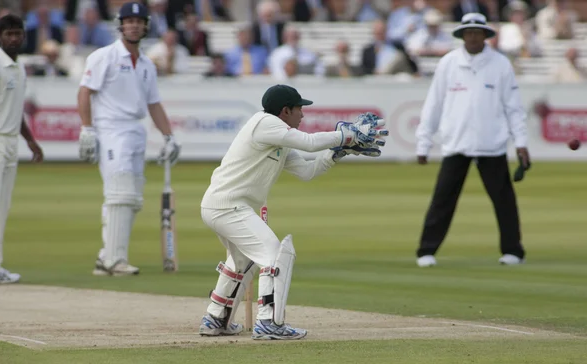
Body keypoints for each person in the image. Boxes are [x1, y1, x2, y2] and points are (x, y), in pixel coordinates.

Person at [198, 84, 388, 340]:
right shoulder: (264, 123)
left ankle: (215, 318)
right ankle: (269, 323)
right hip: (227, 205)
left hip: (224, 205)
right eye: (300, 108)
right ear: (285, 111)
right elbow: (310, 143)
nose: (303, 114)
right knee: (273, 255)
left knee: (242, 262)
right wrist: (346, 136)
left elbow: (307, 171)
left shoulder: (279, 138)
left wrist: (336, 153)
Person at [414, 13, 530, 268]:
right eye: (469, 32)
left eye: (478, 32)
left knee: (504, 201)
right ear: (463, 35)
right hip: (457, 142)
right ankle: (426, 251)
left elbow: (514, 108)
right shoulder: (449, 63)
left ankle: (513, 251)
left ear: (485, 35)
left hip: (492, 143)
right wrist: (423, 142)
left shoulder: (500, 64)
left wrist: (521, 142)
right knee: (443, 199)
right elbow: (433, 104)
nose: (474, 37)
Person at [77, 1, 180, 276]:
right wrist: (87, 128)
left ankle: (107, 258)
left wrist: (169, 137)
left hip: (135, 131)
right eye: (129, 20)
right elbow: (85, 92)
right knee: (118, 192)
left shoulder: (147, 64)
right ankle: (113, 260)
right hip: (110, 129)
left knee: (131, 197)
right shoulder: (104, 56)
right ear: (120, 25)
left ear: (146, 25)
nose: (134, 25)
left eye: (139, 21)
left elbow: (154, 104)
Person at [0, 15, 44, 286]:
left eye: (17, 34)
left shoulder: (19, 67)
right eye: (8, 34)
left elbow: (16, 111)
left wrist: (30, 141)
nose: (13, 38)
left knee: (2, 206)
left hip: (10, 142)